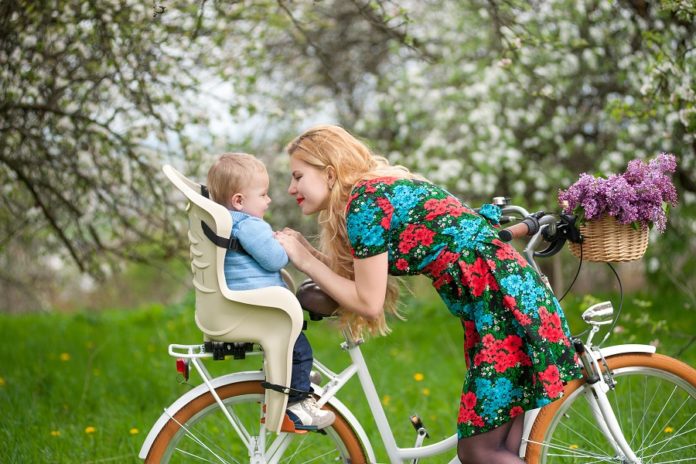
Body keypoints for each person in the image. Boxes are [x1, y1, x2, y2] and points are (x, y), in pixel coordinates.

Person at [275, 126, 582, 463]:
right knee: (501, 451)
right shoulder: (370, 195)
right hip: (502, 300)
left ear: (329, 173)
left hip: (502, 308)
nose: (291, 188)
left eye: (298, 176)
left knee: (479, 452)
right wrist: (306, 254)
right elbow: (357, 278)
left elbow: (368, 301)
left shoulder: (365, 204)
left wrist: (304, 259)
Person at [206, 152, 335, 430]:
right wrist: (283, 245)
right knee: (298, 347)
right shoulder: (248, 224)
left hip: (243, 307)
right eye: (263, 194)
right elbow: (274, 259)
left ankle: (290, 376)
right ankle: (299, 402)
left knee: (289, 344)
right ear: (239, 200)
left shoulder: (228, 223)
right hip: (261, 308)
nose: (269, 200)